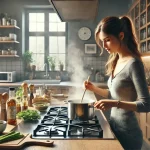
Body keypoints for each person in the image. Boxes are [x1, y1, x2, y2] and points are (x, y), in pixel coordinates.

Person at [84, 16, 150, 150]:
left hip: (129, 133)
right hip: (115, 128)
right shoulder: (116, 60)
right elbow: (114, 94)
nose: (104, 46)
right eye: (102, 41)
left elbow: (146, 105)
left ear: (121, 36)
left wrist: (114, 103)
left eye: (107, 40)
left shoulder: (134, 64)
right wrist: (94, 88)